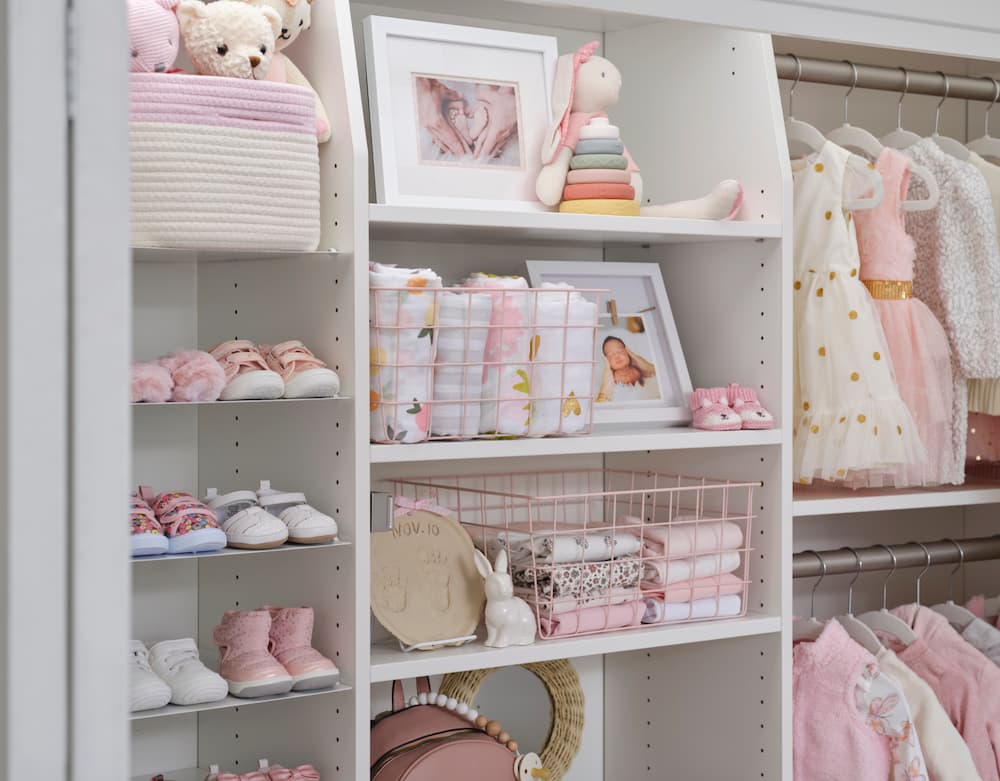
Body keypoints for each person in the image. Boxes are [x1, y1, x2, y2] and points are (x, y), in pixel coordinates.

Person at [597, 336, 656, 402]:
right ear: (607, 361)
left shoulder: (637, 371)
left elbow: (649, 382)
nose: (617, 356)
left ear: (627, 352)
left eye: (620, 351)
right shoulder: (612, 379)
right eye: (611, 355)